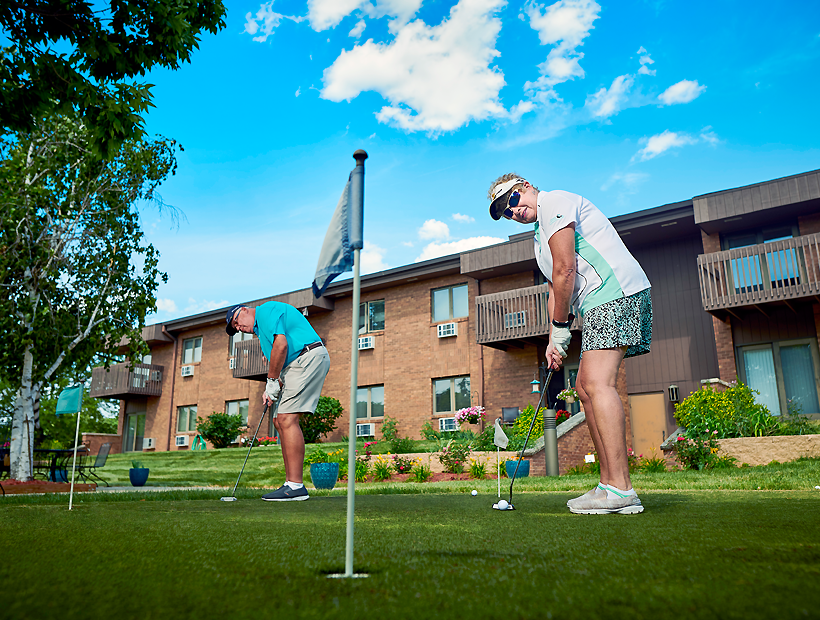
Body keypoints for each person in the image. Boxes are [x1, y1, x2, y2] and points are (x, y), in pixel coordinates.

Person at [488, 174, 652, 515]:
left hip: (616, 291)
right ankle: (609, 486)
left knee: (595, 383)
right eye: (505, 211)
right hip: (597, 302)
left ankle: (622, 488)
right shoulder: (538, 238)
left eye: (513, 199)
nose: (513, 211)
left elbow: (566, 269)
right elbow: (554, 287)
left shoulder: (556, 202)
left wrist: (562, 326)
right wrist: (553, 337)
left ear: (528, 186)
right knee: (584, 388)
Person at [226, 301, 330, 501]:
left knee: (286, 419)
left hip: (307, 357)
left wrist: (271, 381)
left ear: (245, 310)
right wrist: (272, 387)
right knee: (279, 421)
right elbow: (279, 359)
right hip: (296, 364)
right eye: (236, 328)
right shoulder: (261, 332)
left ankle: (295, 486)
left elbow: (281, 346)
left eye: (237, 322)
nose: (239, 328)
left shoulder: (266, 311)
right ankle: (290, 483)